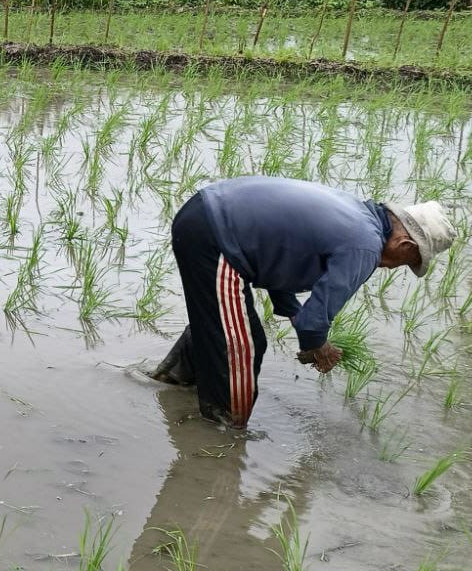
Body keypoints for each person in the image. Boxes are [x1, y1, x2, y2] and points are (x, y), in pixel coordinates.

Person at [151, 176, 454, 428]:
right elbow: (315, 321)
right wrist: (318, 345)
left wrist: (296, 316)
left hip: (205, 215)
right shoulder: (365, 245)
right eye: (406, 262)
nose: (391, 267)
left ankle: (171, 381)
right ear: (405, 245)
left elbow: (274, 263)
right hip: (215, 235)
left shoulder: (357, 216)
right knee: (241, 345)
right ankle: (225, 430)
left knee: (221, 322)